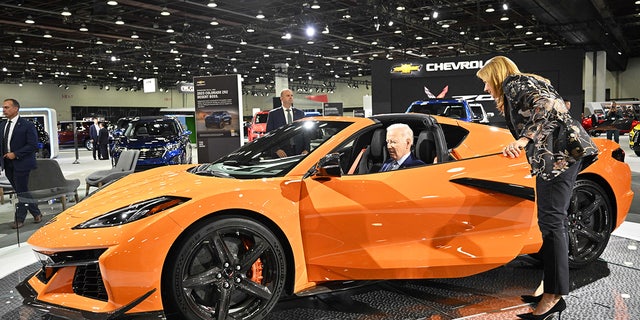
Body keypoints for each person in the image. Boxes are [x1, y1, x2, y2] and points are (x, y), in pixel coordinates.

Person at [476, 56, 597, 320]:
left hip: (559, 157)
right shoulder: (527, 83)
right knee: (555, 222)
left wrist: (523, 139)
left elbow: (549, 106)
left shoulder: (514, 83)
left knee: (552, 223)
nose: (486, 89)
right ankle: (550, 290)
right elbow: (557, 107)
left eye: (486, 82)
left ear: (496, 75)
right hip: (562, 156)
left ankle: (553, 296)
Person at [1, 98, 43, 229]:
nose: (4, 109)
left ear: (16, 109)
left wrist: (16, 154)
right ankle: (36, 213)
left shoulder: (27, 125)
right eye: (4, 107)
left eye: (7, 107)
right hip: (7, 164)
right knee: (21, 190)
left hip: (22, 163)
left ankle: (20, 218)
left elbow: (32, 145)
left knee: (21, 192)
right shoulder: (2, 125)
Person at [266, 89, 307, 157]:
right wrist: (276, 149)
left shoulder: (300, 113)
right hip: (281, 151)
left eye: (292, 95)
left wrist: (306, 149)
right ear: (281, 98)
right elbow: (269, 134)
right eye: (288, 95)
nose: (290, 97)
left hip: (299, 151)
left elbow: (305, 132)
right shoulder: (273, 114)